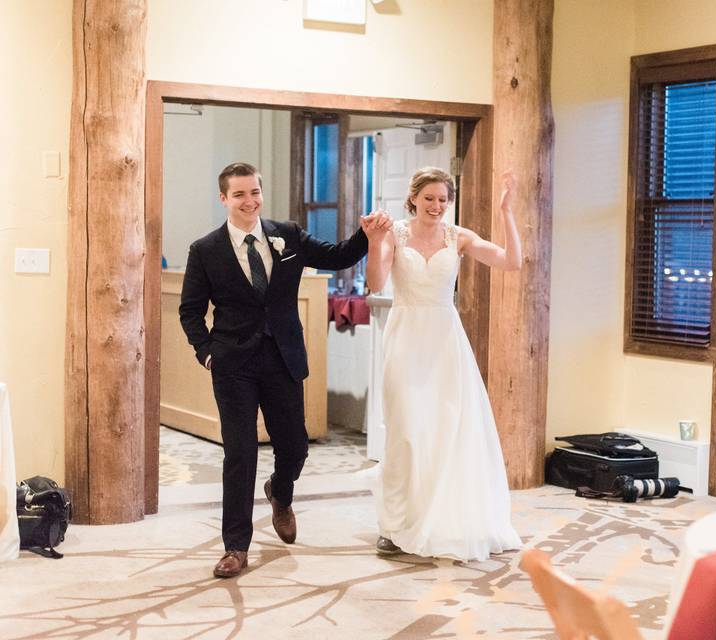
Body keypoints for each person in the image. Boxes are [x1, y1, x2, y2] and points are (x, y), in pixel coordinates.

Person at [179, 162, 390, 578]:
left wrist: (367, 235)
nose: (249, 201)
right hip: (233, 364)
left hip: (283, 358)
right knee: (239, 455)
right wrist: (206, 353)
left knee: (294, 447)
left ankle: (281, 491)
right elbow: (190, 311)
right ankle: (236, 547)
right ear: (223, 198)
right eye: (239, 194)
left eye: (254, 192)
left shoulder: (287, 235)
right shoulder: (204, 250)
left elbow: (337, 256)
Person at [363, 166, 523, 561]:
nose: (436, 206)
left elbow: (512, 262)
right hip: (405, 339)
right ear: (414, 197)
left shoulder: (459, 237)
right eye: (429, 198)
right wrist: (374, 241)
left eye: (443, 200)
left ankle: (442, 517)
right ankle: (394, 525)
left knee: (447, 429)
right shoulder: (395, 233)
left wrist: (506, 212)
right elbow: (375, 283)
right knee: (406, 433)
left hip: (445, 341)